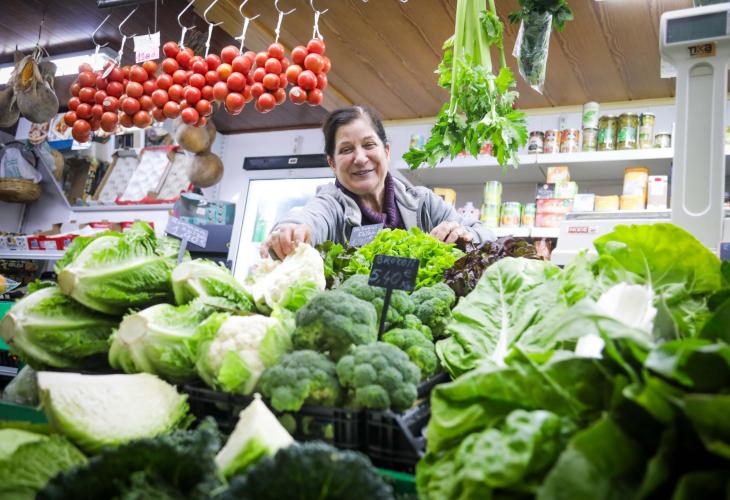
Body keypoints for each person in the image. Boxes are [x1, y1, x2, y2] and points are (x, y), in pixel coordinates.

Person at [261, 105, 494, 259]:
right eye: (346, 150)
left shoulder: (423, 202)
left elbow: (487, 235)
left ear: (387, 151)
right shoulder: (331, 205)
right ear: (332, 163)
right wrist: (291, 231)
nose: (360, 158)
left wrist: (465, 234)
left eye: (369, 145)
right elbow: (310, 219)